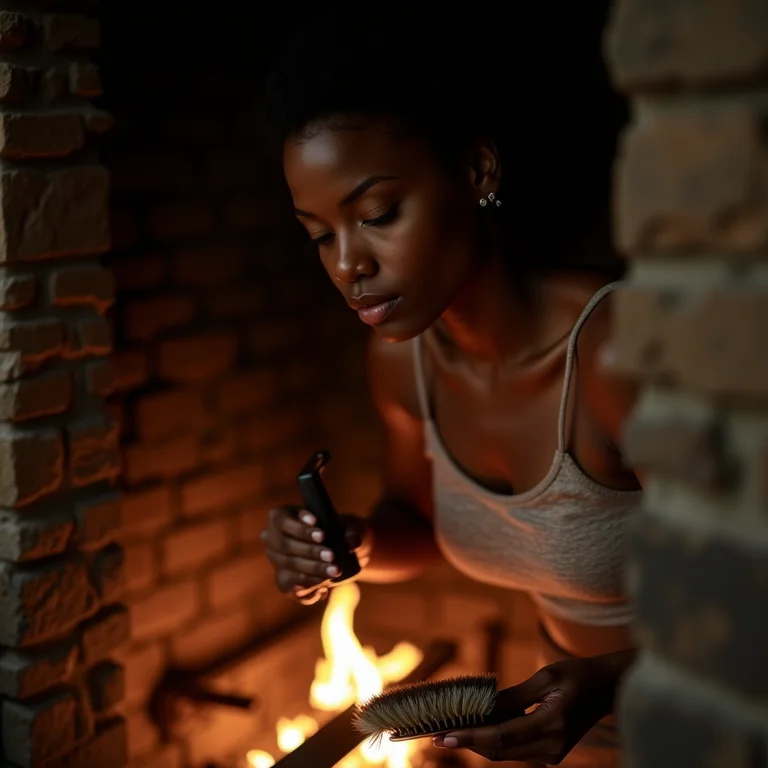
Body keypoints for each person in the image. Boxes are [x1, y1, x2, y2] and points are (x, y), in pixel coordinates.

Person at [259, 7, 641, 766]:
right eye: (318, 235)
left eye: (377, 214)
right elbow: (421, 525)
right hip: (580, 733)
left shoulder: (615, 353)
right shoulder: (402, 363)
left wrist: (609, 678)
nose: (347, 265)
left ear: (475, 172)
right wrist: (354, 545)